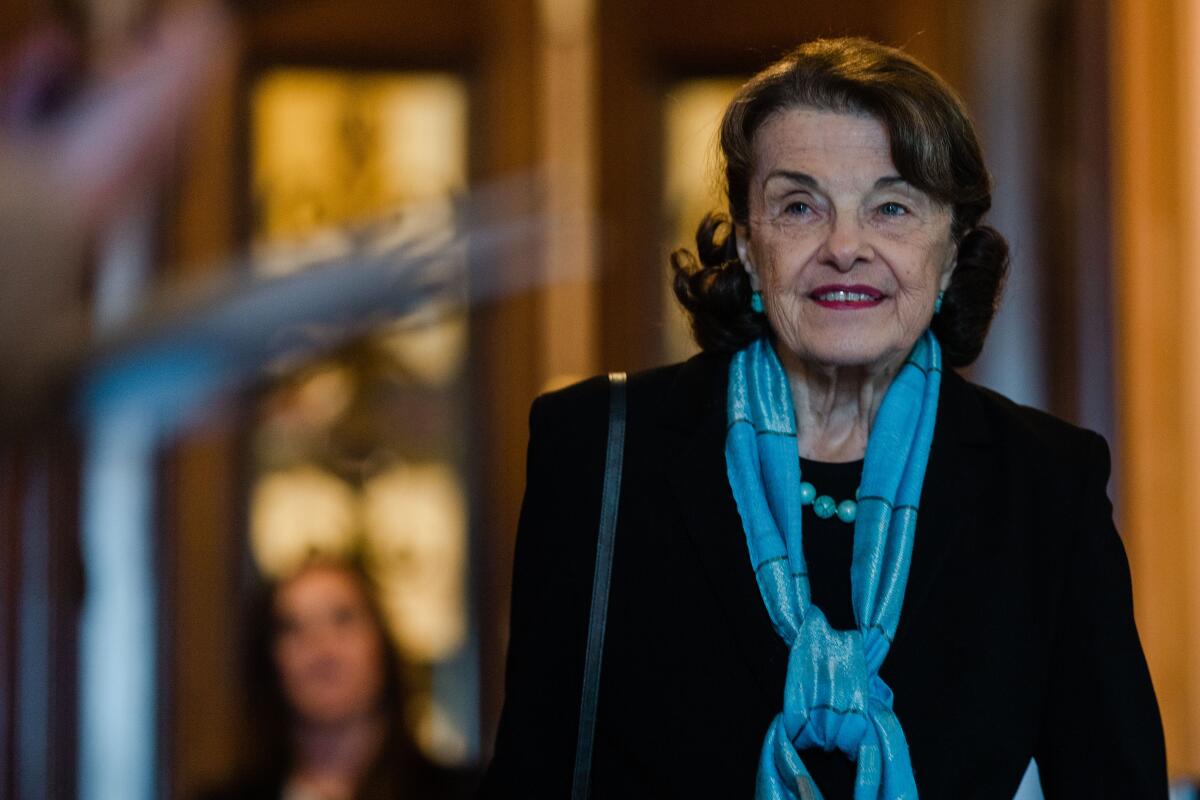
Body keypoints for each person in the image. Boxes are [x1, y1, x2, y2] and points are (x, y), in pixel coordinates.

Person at [483, 37, 1167, 798]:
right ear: (748, 244)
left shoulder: (1046, 484)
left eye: (893, 206)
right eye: (800, 206)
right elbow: (531, 775)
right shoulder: (599, 452)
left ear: (949, 253)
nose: (845, 247)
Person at [201, 557, 473, 800]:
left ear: (382, 646)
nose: (321, 648)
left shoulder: (467, 793)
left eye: (342, 619)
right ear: (270, 662)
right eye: (293, 628)